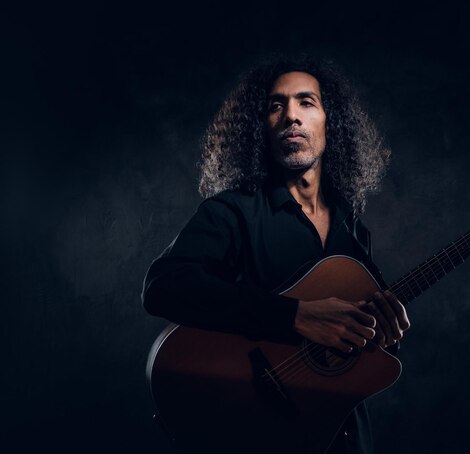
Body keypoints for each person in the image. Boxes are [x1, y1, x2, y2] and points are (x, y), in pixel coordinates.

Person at [141, 55, 410, 453]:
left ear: (329, 123)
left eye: (307, 102)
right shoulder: (232, 212)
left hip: (343, 435)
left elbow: (360, 345)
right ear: (260, 130)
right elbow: (164, 287)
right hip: (262, 436)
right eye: (275, 105)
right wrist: (294, 316)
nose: (291, 117)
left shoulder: (352, 230)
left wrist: (383, 332)